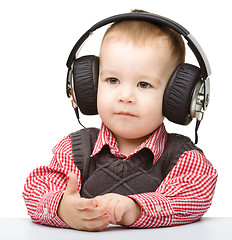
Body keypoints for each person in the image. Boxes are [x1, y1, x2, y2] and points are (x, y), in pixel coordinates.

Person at [23, 10, 218, 232]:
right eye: (112, 80)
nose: (125, 96)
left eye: (144, 84)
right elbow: (36, 189)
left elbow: (194, 196)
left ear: (178, 98)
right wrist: (62, 209)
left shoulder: (182, 157)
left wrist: (136, 209)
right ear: (89, 86)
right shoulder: (73, 150)